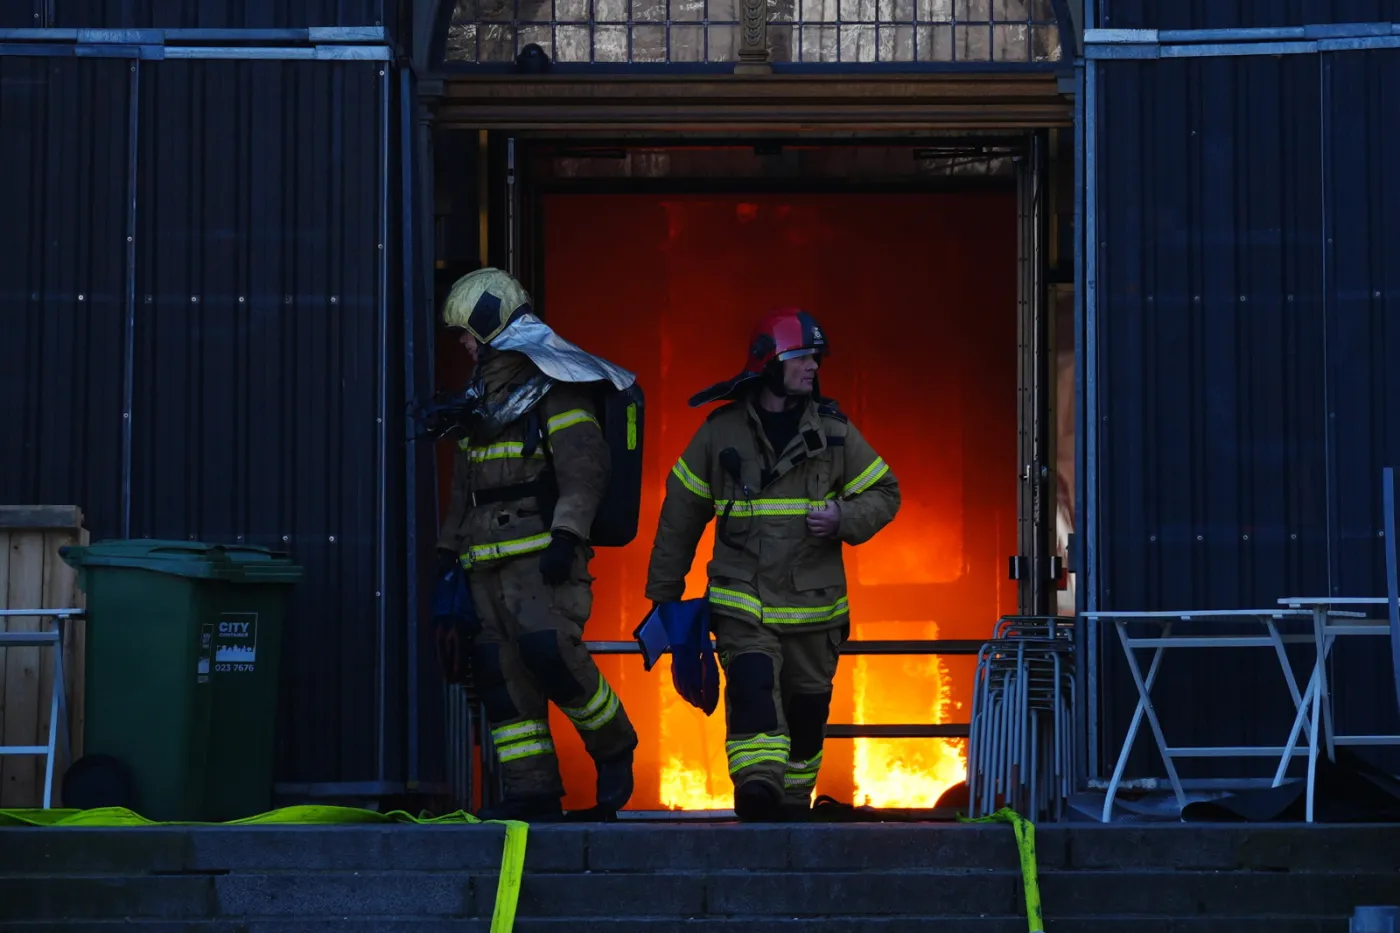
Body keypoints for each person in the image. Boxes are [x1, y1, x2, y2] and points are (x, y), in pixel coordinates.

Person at [645, 307, 901, 821]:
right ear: (769, 363)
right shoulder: (720, 433)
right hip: (745, 601)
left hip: (815, 609)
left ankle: (790, 802)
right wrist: (664, 600)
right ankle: (757, 789)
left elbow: (885, 492)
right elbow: (680, 515)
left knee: (807, 714)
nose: (813, 367)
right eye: (802, 357)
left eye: (815, 358)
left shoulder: (835, 433)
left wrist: (844, 516)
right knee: (752, 686)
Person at [435, 267, 638, 822]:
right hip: (483, 566)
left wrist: (568, 536)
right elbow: (463, 489)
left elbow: (585, 469)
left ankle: (615, 745)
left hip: (540, 559)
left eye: (466, 332)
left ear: (490, 326)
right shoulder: (476, 404)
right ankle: (534, 791)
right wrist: (448, 555)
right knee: (499, 677)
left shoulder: (555, 385)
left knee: (552, 657)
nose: (460, 343)